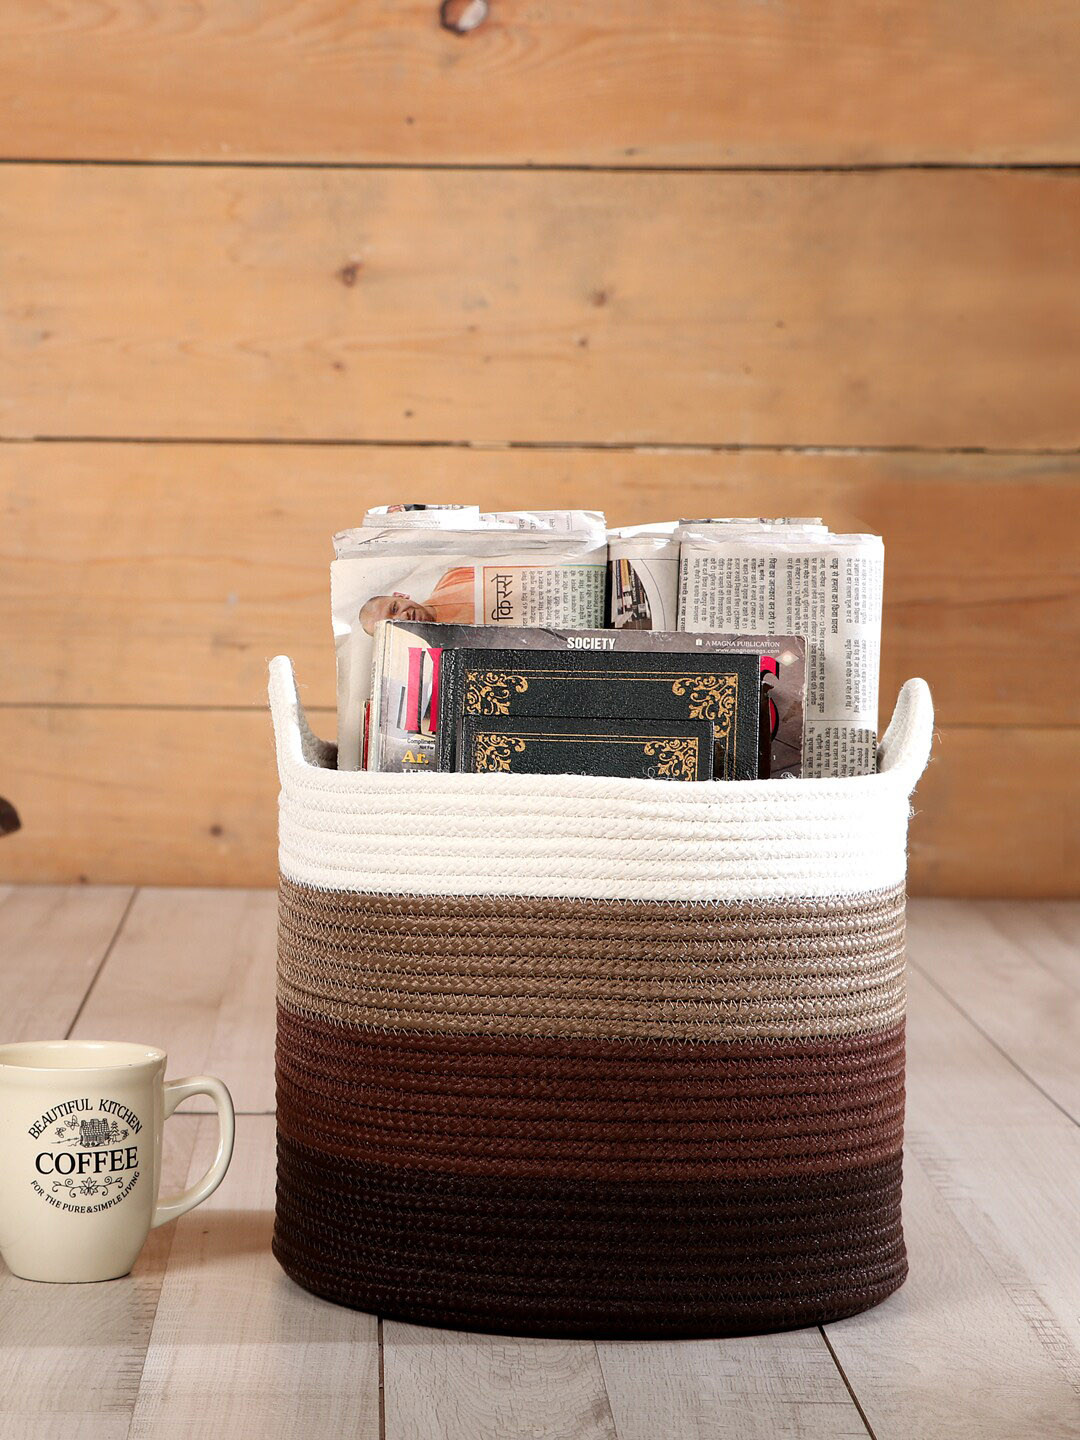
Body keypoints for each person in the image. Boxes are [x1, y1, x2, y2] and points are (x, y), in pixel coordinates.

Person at [359, 567, 476, 633]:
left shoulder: (453, 579)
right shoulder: (448, 653)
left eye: (395, 608)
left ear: (400, 595)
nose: (404, 617)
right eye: (392, 626)